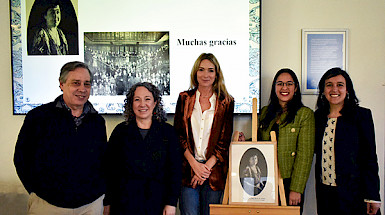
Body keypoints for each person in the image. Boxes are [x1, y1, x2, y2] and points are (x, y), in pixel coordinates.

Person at [14, 61, 107, 214]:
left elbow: (103, 162)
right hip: (47, 205)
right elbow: (21, 157)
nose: (82, 89)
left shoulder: (97, 121)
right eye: (76, 83)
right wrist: (34, 191)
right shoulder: (38, 117)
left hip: (90, 205)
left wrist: (100, 193)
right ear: (61, 84)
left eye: (87, 84)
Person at [240, 68, 314, 213]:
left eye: (289, 84)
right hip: (266, 180)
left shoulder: (305, 114)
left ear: (296, 87)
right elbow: (260, 141)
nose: (284, 88)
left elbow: (305, 156)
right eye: (280, 84)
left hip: (289, 181)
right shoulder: (266, 112)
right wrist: (244, 141)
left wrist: (296, 189)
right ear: (274, 87)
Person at [104, 82, 182, 215]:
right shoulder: (120, 131)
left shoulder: (168, 132)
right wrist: (107, 203)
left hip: (157, 203)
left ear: (155, 102)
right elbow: (110, 171)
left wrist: (171, 203)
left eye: (147, 99)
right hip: (124, 204)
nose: (142, 104)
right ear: (131, 104)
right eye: (137, 100)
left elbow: (174, 171)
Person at [314, 67, 381, 215]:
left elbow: (370, 158)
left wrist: (373, 196)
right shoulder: (317, 117)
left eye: (340, 85)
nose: (334, 89)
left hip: (355, 194)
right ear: (323, 90)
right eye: (329, 84)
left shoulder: (361, 116)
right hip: (326, 194)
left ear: (347, 89)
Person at [174, 53, 234, 215]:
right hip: (188, 171)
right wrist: (195, 165)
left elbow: (224, 140)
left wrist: (205, 169)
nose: (205, 75)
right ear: (195, 73)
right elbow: (178, 136)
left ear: (217, 74)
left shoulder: (226, 102)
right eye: (201, 70)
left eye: (210, 70)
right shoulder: (184, 98)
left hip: (213, 172)